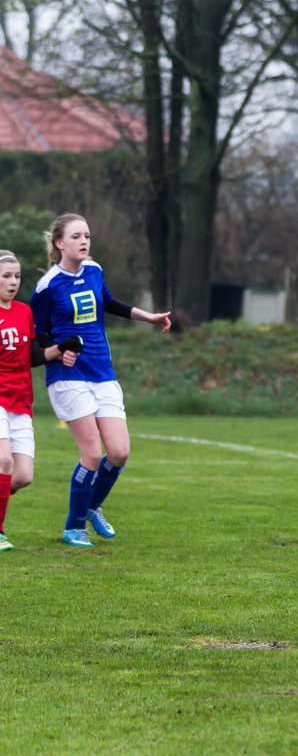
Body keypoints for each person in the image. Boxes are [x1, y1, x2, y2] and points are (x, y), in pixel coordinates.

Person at [30, 214, 171, 548]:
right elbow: (38, 339)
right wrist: (57, 351)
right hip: (68, 377)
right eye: (76, 236)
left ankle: (92, 505)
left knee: (120, 452)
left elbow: (108, 302)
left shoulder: (94, 270)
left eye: (87, 236)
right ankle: (73, 527)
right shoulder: (46, 287)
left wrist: (146, 316)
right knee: (92, 454)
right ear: (59, 243)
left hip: (102, 373)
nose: (84, 241)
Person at [0, 252, 82, 550]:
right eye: (6, 276)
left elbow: (33, 356)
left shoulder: (23, 312)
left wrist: (61, 348)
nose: (13, 282)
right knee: (4, 460)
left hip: (20, 401)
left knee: (23, 476)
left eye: (17, 276)